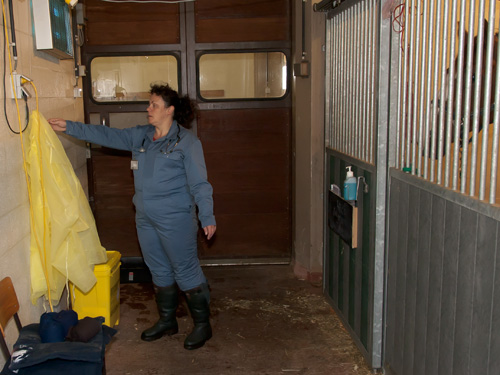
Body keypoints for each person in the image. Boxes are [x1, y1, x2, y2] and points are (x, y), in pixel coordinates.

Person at [48, 83, 216, 350]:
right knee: (158, 269)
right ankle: (167, 321)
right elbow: (106, 134)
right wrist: (69, 126)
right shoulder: (142, 136)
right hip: (145, 217)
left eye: (154, 105)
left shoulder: (187, 142)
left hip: (176, 218)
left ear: (170, 110)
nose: (148, 109)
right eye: (149, 104)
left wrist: (207, 215)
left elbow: (200, 184)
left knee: (185, 269)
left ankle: (202, 325)